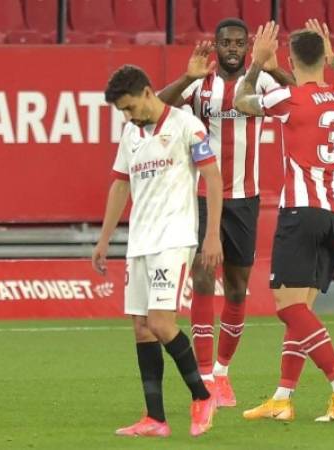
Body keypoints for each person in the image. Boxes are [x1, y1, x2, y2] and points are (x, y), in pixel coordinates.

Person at [233, 19, 334, 422]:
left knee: (286, 306)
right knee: (303, 308)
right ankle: (282, 397)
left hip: (301, 211)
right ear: (324, 56)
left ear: (292, 59)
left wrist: (258, 64)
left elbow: (242, 101)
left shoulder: (288, 99)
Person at [158, 17, 294, 407]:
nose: (232, 49)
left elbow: (306, 98)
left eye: (238, 43)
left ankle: (222, 374)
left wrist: (274, 68)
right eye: (226, 43)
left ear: (247, 47)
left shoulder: (262, 83)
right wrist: (186, 77)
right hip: (200, 195)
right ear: (215, 47)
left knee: (236, 288)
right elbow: (157, 108)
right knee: (202, 278)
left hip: (245, 200)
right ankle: (203, 377)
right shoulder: (201, 83)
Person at [92, 64, 224, 437]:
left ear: (148, 92)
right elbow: (120, 186)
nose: (128, 115)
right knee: (141, 328)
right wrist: (104, 240)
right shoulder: (130, 135)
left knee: (161, 323)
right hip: (140, 242)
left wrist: (211, 234)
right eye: (122, 111)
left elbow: (212, 178)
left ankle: (203, 395)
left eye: (130, 107)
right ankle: (155, 419)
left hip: (174, 237)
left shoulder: (185, 125)